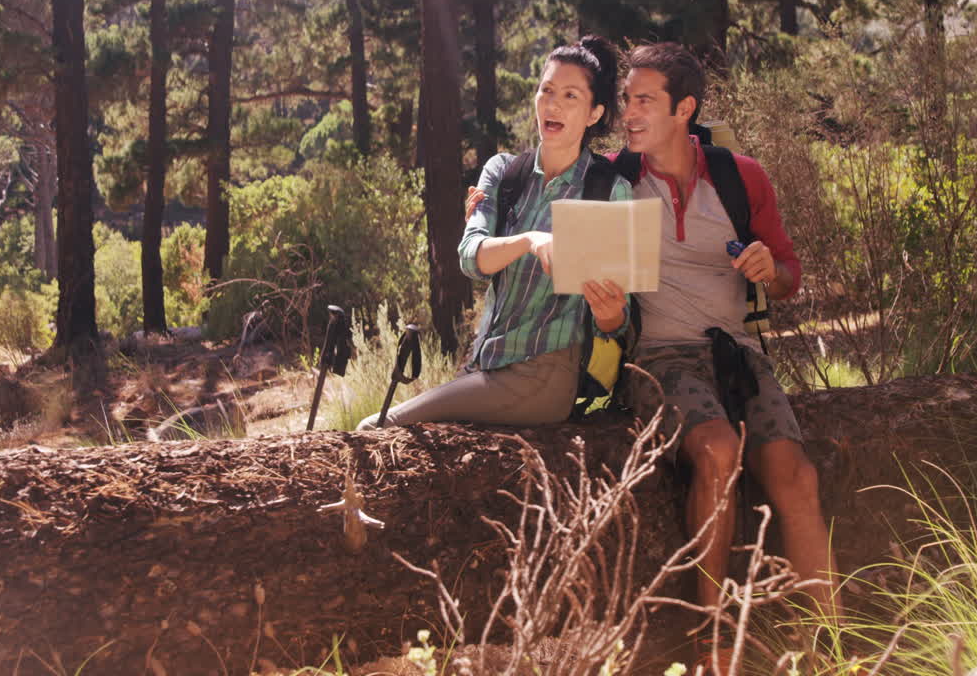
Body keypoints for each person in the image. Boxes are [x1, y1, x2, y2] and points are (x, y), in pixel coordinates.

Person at [615, 43, 839, 662]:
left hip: (737, 353)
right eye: (624, 100)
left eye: (642, 100)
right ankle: (713, 644)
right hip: (657, 356)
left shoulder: (741, 177)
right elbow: (545, 204)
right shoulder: (611, 179)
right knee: (716, 449)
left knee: (797, 476)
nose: (627, 113)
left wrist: (771, 271)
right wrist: (486, 203)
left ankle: (834, 646)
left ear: (684, 107)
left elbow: (789, 272)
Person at [356, 35, 632, 430]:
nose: (553, 104)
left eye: (571, 96)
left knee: (379, 426)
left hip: (545, 376)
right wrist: (529, 240)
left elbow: (618, 323)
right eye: (546, 90)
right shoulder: (504, 172)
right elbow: (471, 258)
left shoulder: (608, 191)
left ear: (593, 113)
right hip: (482, 365)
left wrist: (610, 313)